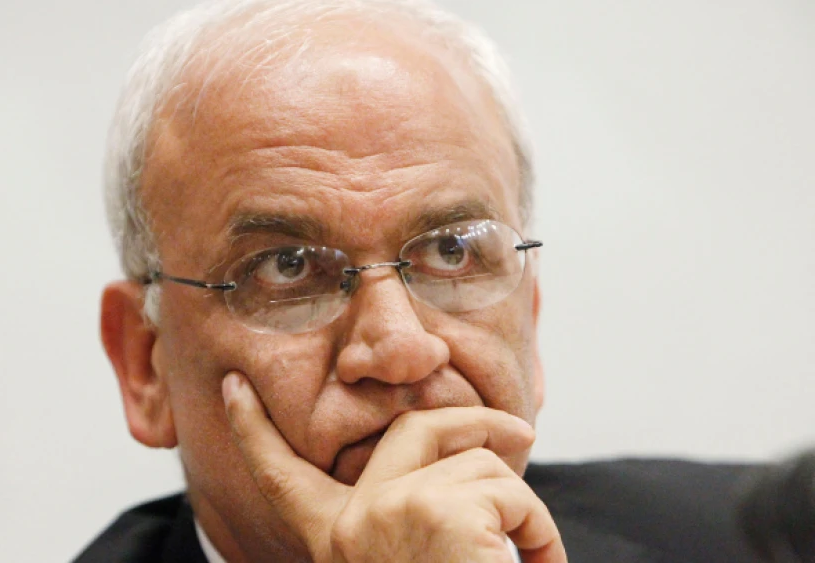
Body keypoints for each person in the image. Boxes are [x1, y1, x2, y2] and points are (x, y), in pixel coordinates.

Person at [77, 1, 761, 561]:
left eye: (453, 251)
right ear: (146, 365)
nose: (401, 347)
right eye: (288, 268)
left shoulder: (754, 540)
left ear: (531, 315)